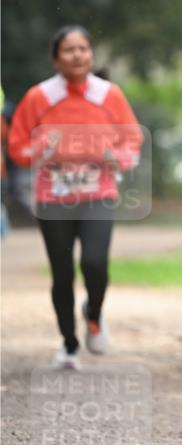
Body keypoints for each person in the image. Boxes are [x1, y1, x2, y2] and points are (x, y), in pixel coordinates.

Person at [8, 26, 143, 370]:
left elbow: (131, 140)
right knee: (62, 272)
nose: (77, 55)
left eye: (83, 48)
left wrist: (119, 157)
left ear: (91, 54)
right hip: (54, 197)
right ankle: (68, 343)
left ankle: (93, 314)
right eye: (69, 50)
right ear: (56, 58)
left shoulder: (109, 94)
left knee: (95, 263)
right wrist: (40, 148)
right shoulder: (40, 96)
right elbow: (17, 146)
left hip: (98, 192)